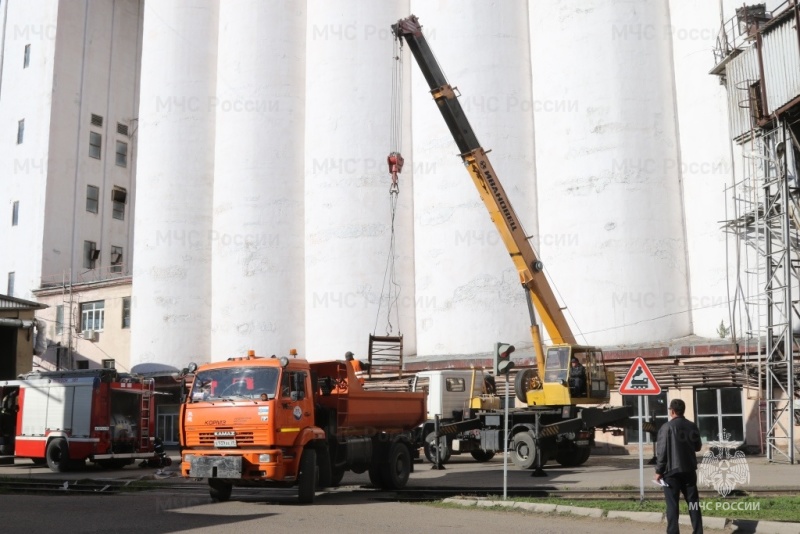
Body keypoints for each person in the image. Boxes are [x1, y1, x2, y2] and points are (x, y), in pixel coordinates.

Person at [655, 399, 704, 534]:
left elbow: (662, 451)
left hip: (671, 473)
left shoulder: (666, 427)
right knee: (693, 503)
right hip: (689, 470)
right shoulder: (692, 426)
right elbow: (698, 447)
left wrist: (659, 471)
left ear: (672, 411)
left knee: (672, 505)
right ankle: (698, 531)